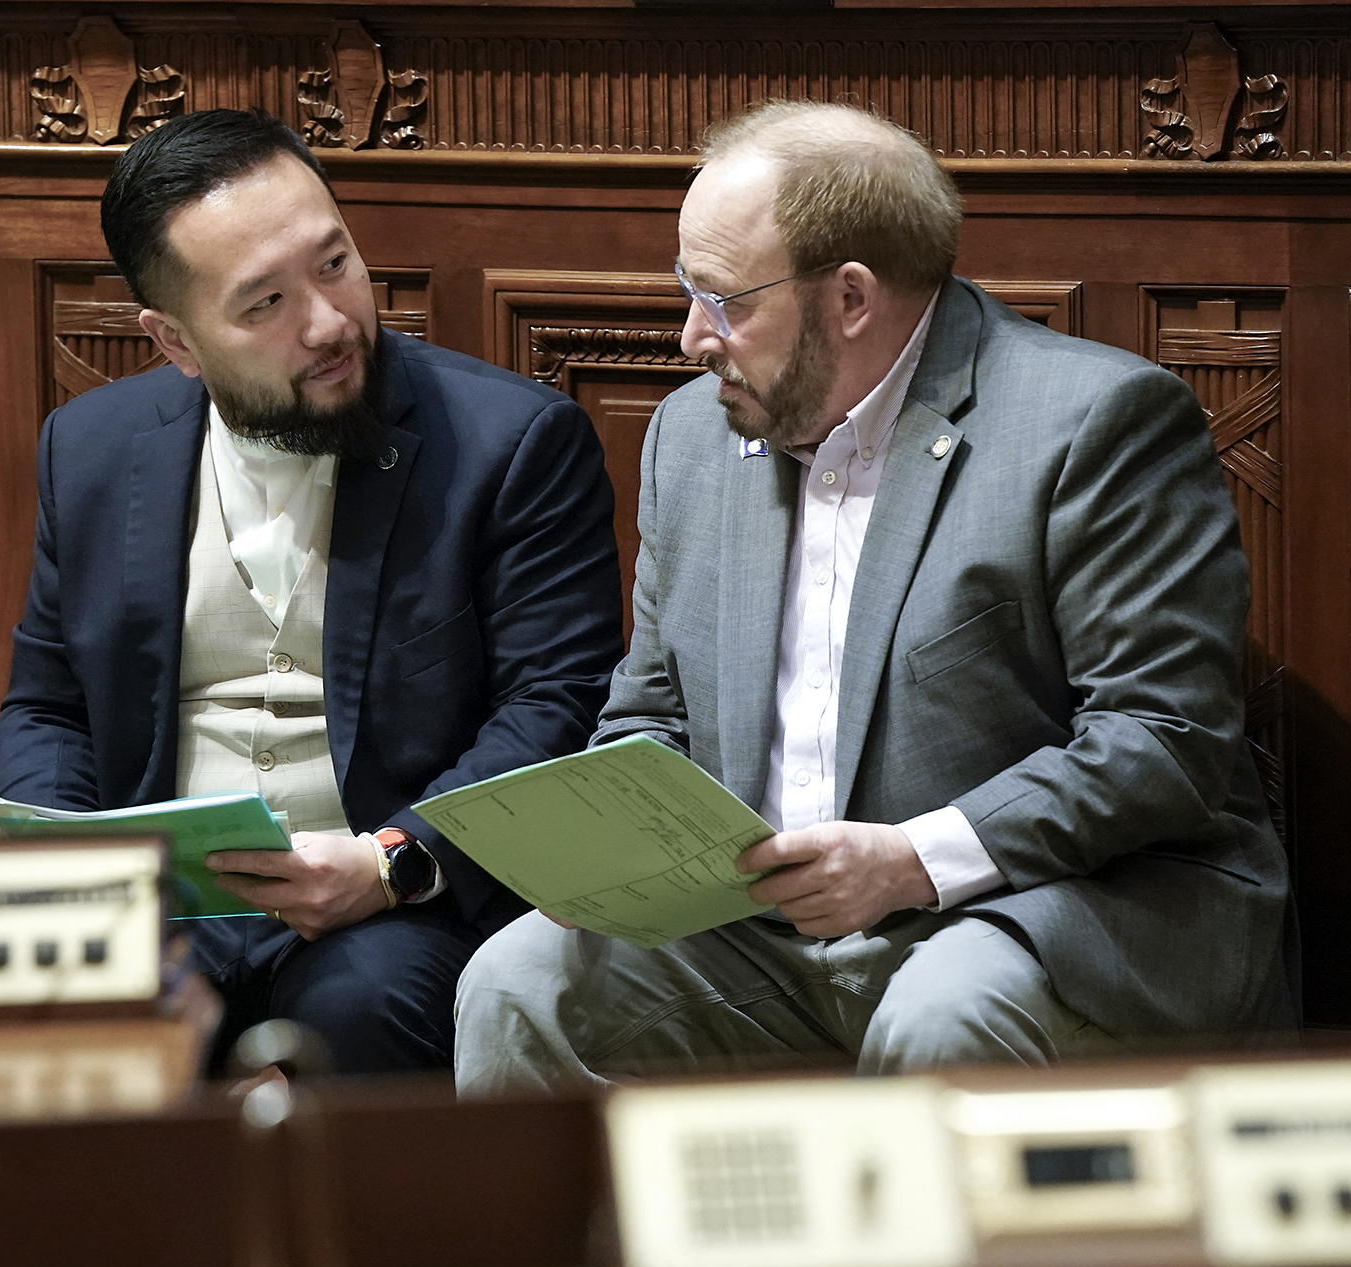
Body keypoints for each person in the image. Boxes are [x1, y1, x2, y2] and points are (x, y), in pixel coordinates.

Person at [453, 101, 1291, 1094]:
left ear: (850, 297)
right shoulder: (693, 437)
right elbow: (652, 711)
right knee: (518, 980)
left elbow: (1163, 737)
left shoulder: (1092, 424)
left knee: (949, 1012)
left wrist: (910, 860)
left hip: (1043, 912)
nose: (690, 338)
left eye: (725, 302)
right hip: (762, 933)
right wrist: (605, 864)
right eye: (689, 291)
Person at [0, 108, 621, 1075]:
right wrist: (75, 876)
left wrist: (392, 861)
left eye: (334, 264)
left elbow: (556, 704)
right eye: (265, 305)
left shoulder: (514, 444)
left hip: (387, 900)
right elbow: (48, 705)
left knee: (367, 1012)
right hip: (169, 902)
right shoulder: (91, 449)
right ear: (175, 342)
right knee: (39, 1008)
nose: (328, 323)